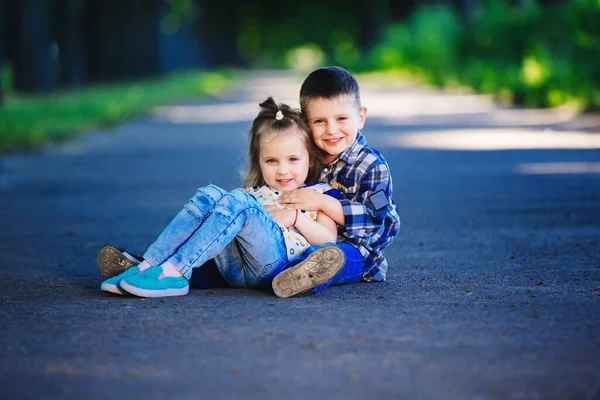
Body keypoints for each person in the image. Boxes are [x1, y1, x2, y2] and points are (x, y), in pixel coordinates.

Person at [100, 97, 344, 298]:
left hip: (276, 266)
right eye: (271, 161)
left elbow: (329, 238)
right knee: (210, 195)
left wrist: (295, 217)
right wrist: (239, 202)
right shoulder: (254, 193)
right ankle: (149, 266)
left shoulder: (317, 194)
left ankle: (175, 271)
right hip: (232, 269)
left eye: (293, 159)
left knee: (238, 202)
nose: (282, 170)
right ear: (258, 162)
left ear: (310, 159)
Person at [271, 66, 401, 298]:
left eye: (341, 118)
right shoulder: (303, 156)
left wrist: (321, 203)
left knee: (335, 256)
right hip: (301, 238)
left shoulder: (371, 165)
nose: (332, 130)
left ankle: (303, 275)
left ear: (360, 117)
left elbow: (374, 221)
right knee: (290, 250)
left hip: (358, 251)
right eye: (319, 121)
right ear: (305, 123)